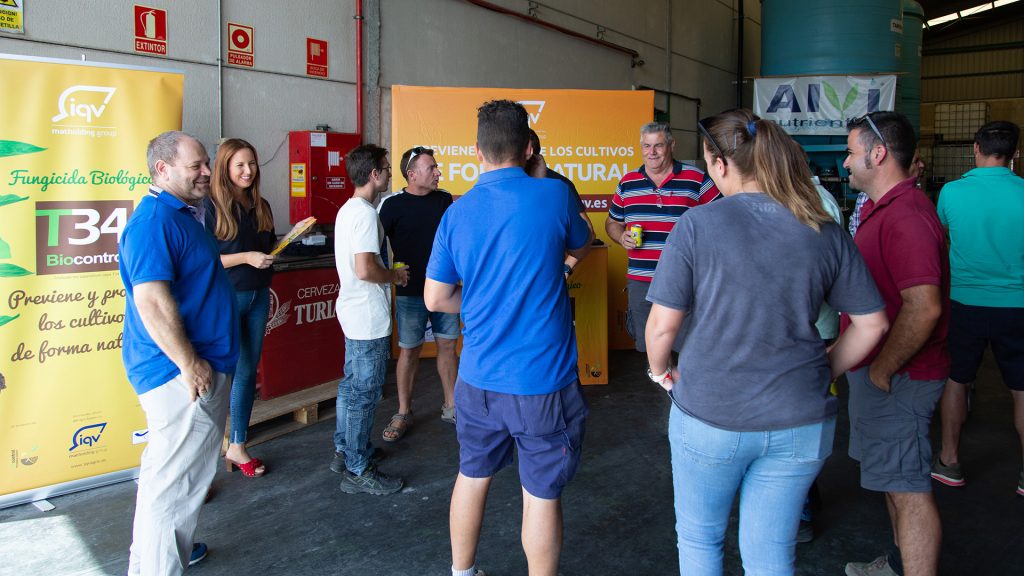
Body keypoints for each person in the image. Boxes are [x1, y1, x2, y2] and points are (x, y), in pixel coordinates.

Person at [645, 109, 888, 576]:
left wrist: (661, 372)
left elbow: (661, 329)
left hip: (710, 415)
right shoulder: (822, 227)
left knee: (699, 540)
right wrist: (826, 369)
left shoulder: (697, 225)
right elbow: (872, 323)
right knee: (771, 554)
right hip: (800, 418)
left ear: (719, 165)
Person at [424, 100, 593, 576]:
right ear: (528, 147)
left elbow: (436, 298)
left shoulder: (457, 213)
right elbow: (582, 243)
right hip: (542, 383)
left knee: (471, 476)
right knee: (540, 494)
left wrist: (476, 302)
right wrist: (539, 175)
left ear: (476, 150)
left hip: (477, 382)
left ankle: (461, 572)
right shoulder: (554, 196)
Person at [120, 131, 239, 574]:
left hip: (193, 367)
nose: (208, 172)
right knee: (176, 488)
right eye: (197, 166)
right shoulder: (154, 221)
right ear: (162, 170)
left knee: (167, 480)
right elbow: (151, 300)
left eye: (207, 163)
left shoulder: (185, 214)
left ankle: (157, 556)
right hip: (180, 375)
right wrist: (189, 364)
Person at [841, 112, 951, 576]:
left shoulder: (904, 215)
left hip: (900, 379)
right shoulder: (884, 209)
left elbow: (923, 307)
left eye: (850, 152)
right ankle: (898, 566)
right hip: (883, 375)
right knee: (892, 480)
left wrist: (883, 368)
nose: (846, 163)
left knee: (908, 489)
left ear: (877, 153)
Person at [932, 121, 1024, 497]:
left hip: (965, 303)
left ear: (976, 148)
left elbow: (940, 244)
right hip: (1017, 305)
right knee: (1022, 389)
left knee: (957, 380)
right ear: (1014, 154)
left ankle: (950, 460)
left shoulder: (951, 193)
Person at [332, 144, 409, 495]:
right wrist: (394, 276)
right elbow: (365, 269)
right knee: (364, 393)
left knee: (350, 386)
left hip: (353, 312)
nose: (391, 173)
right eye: (387, 168)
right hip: (367, 317)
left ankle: (346, 450)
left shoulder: (349, 210)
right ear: (374, 174)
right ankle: (358, 468)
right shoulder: (364, 214)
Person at [605, 122, 719, 352]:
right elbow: (612, 223)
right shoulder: (628, 183)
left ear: (671, 145)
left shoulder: (696, 179)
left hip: (685, 277)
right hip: (641, 280)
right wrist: (621, 237)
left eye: (658, 145)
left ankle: (684, 387)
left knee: (689, 343)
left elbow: (720, 218)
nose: (652, 152)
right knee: (650, 345)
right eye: (646, 146)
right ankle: (663, 385)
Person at [377, 146, 460, 442]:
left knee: (449, 347)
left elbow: (456, 241)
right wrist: (389, 276)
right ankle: (403, 411)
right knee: (409, 350)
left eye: (436, 167)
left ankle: (452, 407)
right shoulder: (391, 205)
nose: (438, 172)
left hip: (446, 289)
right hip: (410, 293)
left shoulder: (443, 200)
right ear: (412, 175)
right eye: (432, 168)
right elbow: (372, 249)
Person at [204, 138, 275, 478]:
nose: (248, 171)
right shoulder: (209, 207)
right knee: (218, 377)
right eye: (240, 165)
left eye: (252, 164)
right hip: (225, 299)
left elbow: (267, 248)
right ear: (225, 168)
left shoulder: (261, 205)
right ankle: (202, 456)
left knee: (247, 374)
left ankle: (238, 444)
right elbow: (206, 261)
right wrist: (247, 257)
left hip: (258, 296)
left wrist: (271, 255)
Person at [526, 129, 595, 277]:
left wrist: (566, 269)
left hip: (549, 278)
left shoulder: (560, 185)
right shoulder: (505, 183)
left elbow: (588, 232)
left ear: (530, 152)